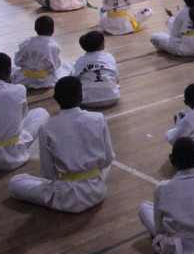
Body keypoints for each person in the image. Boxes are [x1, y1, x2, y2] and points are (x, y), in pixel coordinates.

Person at [8, 76, 116, 213]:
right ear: (81, 96)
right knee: (105, 160)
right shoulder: (98, 118)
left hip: (66, 196)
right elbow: (108, 160)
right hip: (96, 191)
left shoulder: (47, 128)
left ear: (56, 99)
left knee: (16, 182)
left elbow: (48, 174)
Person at [11, 15, 72, 88]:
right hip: (45, 81)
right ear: (52, 30)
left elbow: (17, 62)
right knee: (68, 67)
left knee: (14, 70)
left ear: (35, 28)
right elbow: (55, 67)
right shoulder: (53, 46)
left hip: (25, 79)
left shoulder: (26, 43)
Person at [72, 31, 120, 108]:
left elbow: (75, 79)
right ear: (103, 45)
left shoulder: (80, 60)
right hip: (112, 98)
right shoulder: (109, 57)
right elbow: (116, 79)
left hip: (86, 100)